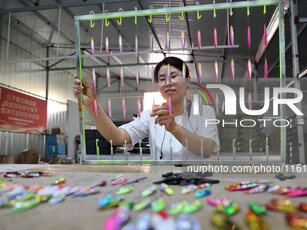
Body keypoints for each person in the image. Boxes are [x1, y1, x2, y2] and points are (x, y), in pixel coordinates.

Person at [73, 57, 218, 160]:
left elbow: (207, 150)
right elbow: (116, 137)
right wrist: (93, 105)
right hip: (163, 185)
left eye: (173, 76)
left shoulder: (205, 112)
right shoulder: (151, 116)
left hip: (197, 183)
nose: (167, 83)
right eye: (161, 79)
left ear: (187, 81)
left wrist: (173, 127)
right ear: (157, 85)